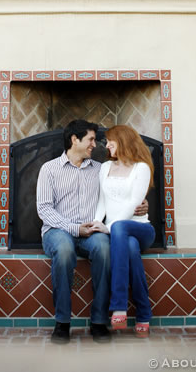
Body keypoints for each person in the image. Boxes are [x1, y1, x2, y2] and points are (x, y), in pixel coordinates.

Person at [36, 119, 148, 344]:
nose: (95, 145)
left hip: (93, 231)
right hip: (58, 230)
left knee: (105, 249)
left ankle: (99, 321)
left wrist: (141, 206)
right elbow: (44, 209)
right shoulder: (49, 169)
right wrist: (73, 228)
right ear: (74, 140)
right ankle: (62, 322)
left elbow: (119, 195)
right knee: (65, 249)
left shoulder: (100, 169)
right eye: (90, 139)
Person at [90, 124, 156, 338]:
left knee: (121, 229)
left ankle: (118, 305)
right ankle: (144, 314)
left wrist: (108, 227)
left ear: (124, 141)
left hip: (141, 228)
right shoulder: (104, 168)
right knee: (129, 247)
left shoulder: (141, 168)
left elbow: (133, 205)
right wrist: (95, 223)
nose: (106, 144)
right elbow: (102, 201)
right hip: (120, 234)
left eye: (111, 140)